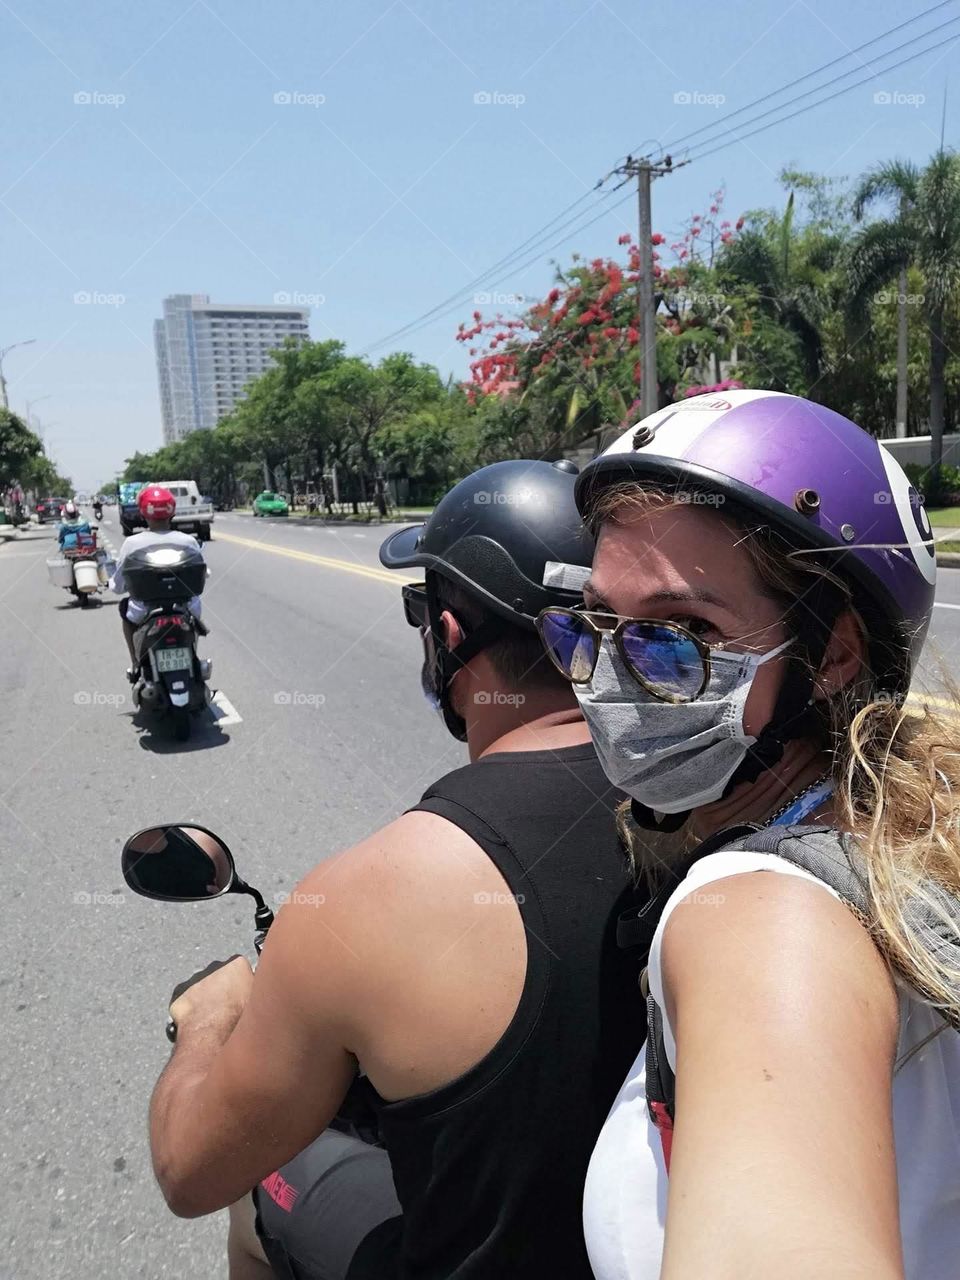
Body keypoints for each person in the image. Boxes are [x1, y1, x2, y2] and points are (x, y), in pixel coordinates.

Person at [144, 459, 645, 1280]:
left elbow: (186, 1171)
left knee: (256, 1193)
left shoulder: (368, 897)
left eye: (422, 608)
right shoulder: (705, 801)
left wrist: (208, 1019)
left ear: (448, 633)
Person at [534, 390, 959, 1280]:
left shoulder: (763, 920)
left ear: (834, 654)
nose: (613, 679)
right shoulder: (895, 823)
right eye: (594, 626)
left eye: (682, 635)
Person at [109, 485, 206, 674]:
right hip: (186, 608)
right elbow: (200, 577)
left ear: (144, 515)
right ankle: (192, 654)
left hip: (143, 611)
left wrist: (113, 584)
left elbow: (118, 586)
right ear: (172, 513)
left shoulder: (132, 543)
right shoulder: (188, 541)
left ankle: (136, 664)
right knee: (194, 620)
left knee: (124, 610)